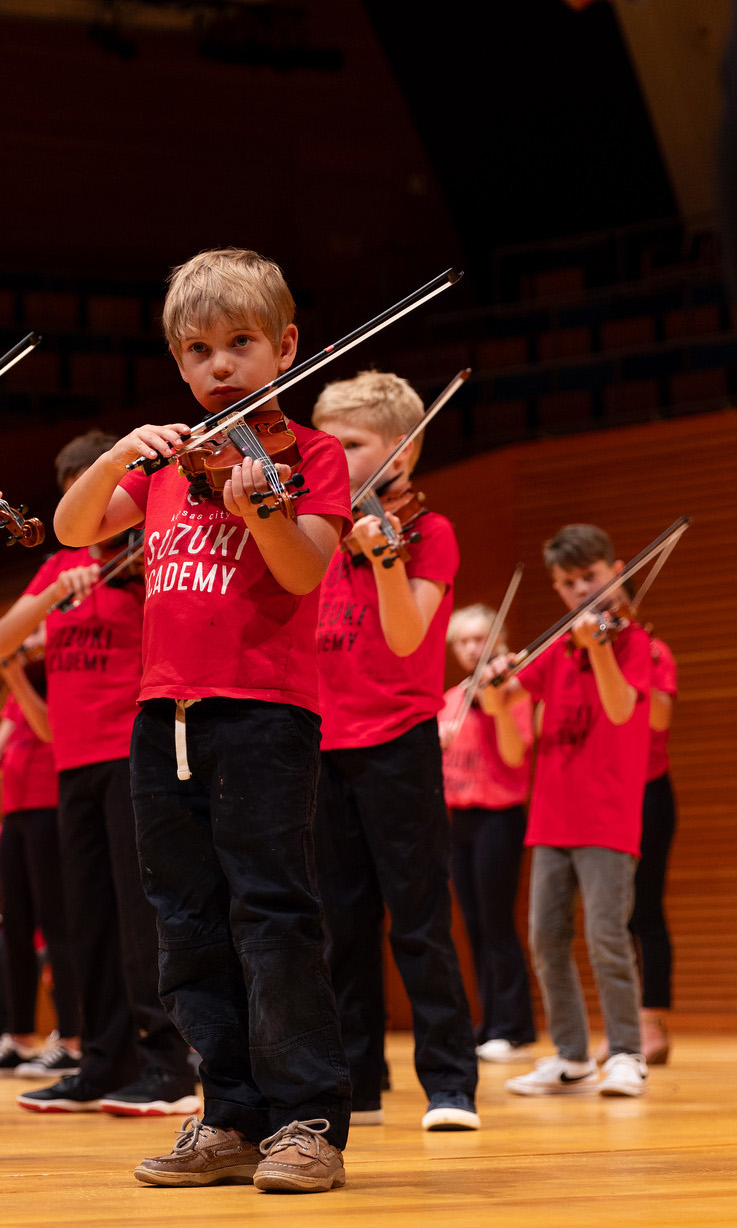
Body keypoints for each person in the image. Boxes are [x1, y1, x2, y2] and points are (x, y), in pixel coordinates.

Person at [54, 248, 353, 1193]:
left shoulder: (311, 456)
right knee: (185, 922)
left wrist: (258, 501)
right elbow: (71, 528)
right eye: (198, 350)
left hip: (263, 715)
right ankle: (224, 1112)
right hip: (161, 714)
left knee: (270, 913)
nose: (218, 366)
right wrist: (112, 455)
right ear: (179, 364)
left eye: (239, 343)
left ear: (285, 347)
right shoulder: (171, 462)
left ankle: (305, 1119)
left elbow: (302, 569)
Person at [0, 431, 196, 1119]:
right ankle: (102, 1061)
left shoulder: (148, 561)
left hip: (131, 750)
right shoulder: (63, 567)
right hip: (70, 763)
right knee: (87, 922)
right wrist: (54, 598)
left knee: (142, 918)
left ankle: (167, 1065)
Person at [308, 369, 480, 1132]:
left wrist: (383, 559)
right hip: (320, 744)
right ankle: (360, 1083)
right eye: (326, 441)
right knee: (340, 928)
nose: (330, 455)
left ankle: (448, 1085)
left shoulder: (427, 531)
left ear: (402, 449)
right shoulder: (315, 529)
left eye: (349, 444)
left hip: (396, 743)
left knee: (416, 919)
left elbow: (407, 635)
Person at [493, 524, 652, 1099]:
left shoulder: (638, 644)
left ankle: (628, 1053)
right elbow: (506, 695)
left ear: (616, 569)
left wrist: (601, 650)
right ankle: (570, 1056)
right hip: (551, 820)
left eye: (588, 577)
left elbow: (619, 708)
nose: (579, 591)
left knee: (607, 935)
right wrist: (495, 682)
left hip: (607, 820)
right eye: (566, 583)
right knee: (545, 939)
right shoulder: (558, 647)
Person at [0, 631, 82, 1079]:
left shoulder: (50, 683)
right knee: (12, 925)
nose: (28, 640)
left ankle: (72, 1040)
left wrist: (14, 673)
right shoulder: (18, 695)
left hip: (49, 809)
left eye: (35, 633)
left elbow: (46, 727)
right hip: (14, 815)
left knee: (56, 924)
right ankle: (18, 1039)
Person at [440, 604, 536, 1063]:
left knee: (498, 922)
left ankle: (514, 1027)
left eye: (481, 638)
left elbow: (516, 756)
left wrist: (496, 707)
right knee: (474, 924)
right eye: (464, 640)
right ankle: (490, 1022)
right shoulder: (449, 700)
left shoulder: (512, 693)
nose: (474, 647)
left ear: (496, 641)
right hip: (461, 820)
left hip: (501, 815)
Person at [627, 630, 677, 1064]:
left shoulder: (654, 651)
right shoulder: (583, 652)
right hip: (606, 792)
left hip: (648, 792)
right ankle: (623, 1023)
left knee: (646, 911)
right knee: (613, 916)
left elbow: (659, 718)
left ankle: (652, 1022)